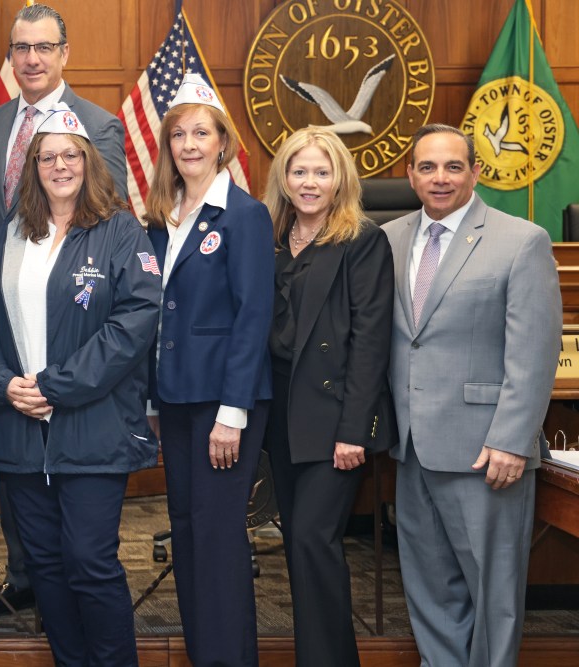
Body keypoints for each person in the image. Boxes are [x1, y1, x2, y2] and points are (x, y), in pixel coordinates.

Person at [0, 105, 160, 666]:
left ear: (89, 161)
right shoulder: (2, 239)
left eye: (70, 155)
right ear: (32, 166)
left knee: (89, 560)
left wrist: (55, 385)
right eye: (47, 156)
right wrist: (3, 383)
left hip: (93, 429)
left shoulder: (121, 231)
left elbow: (134, 322)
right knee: (44, 563)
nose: (59, 165)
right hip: (18, 431)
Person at [383, 124, 560, 667]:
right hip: (411, 447)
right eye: (428, 167)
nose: (441, 178)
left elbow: (533, 352)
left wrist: (511, 440)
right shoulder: (386, 239)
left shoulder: (520, 240)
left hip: (486, 451)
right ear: (410, 175)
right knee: (430, 590)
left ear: (476, 172)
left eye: (454, 167)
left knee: (492, 594)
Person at [0, 2, 127, 617]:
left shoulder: (99, 123)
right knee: (18, 473)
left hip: (73, 317)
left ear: (65, 53)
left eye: (43, 47)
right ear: (10, 57)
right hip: (6, 315)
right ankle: (24, 577)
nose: (30, 58)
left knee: (83, 544)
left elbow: (102, 217)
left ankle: (56, 587)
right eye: (20, 48)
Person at [143, 74, 273, 667]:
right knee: (188, 533)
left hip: (224, 405)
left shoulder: (242, 215)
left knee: (218, 541)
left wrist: (232, 413)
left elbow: (253, 317)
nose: (189, 144)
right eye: (178, 135)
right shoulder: (162, 215)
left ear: (224, 141)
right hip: (175, 398)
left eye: (202, 133)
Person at [260, 127, 394, 666]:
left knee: (314, 542)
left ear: (340, 178)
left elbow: (370, 342)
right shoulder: (268, 236)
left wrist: (352, 430)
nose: (309, 182)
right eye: (299, 171)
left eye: (321, 171)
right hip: (281, 417)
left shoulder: (362, 240)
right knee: (299, 547)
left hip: (335, 419)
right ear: (283, 178)